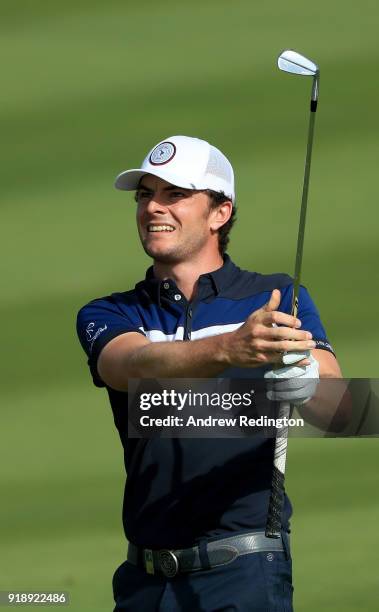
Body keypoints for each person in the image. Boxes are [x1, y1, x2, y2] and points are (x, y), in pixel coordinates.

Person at [76, 135, 342, 611]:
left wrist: (309, 384)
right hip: (143, 581)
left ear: (220, 213)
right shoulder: (110, 312)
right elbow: (131, 366)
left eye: (175, 195)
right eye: (145, 195)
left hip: (243, 574)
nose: (153, 207)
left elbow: (340, 406)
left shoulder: (274, 296)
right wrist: (231, 352)